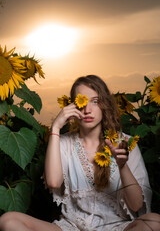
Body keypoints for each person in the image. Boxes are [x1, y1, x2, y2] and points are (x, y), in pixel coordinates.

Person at [0, 74, 160, 231]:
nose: (87, 109)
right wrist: (55, 128)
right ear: (72, 106)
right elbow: (53, 182)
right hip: (72, 227)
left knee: (154, 221)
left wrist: (122, 165)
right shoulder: (64, 143)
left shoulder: (125, 143)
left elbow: (136, 205)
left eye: (95, 101)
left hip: (117, 228)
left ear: (105, 105)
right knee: (9, 220)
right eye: (81, 101)